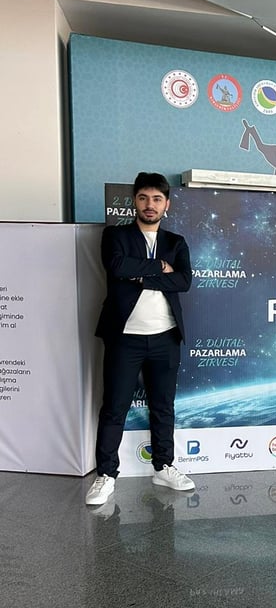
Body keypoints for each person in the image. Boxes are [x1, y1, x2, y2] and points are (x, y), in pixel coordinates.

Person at [86, 172, 195, 506]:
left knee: (163, 406)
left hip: (165, 338)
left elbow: (183, 281)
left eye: (157, 199)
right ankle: (106, 474)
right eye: (144, 198)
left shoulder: (176, 242)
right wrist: (160, 268)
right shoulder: (115, 235)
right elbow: (118, 267)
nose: (150, 205)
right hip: (125, 339)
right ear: (134, 201)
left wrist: (142, 276)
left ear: (166, 205)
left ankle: (163, 466)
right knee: (114, 408)